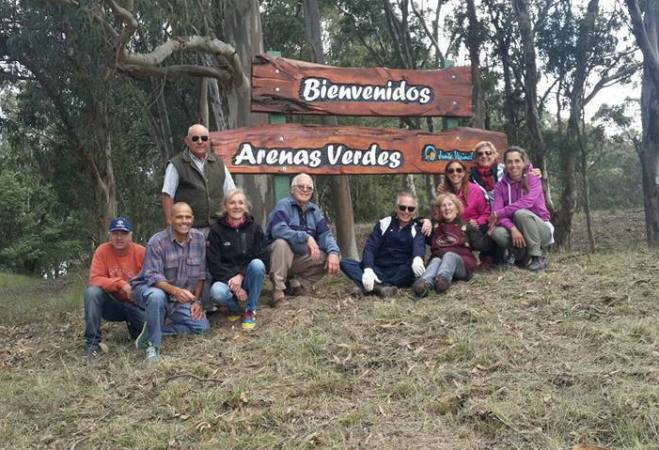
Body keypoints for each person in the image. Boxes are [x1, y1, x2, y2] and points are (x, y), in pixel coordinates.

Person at [131, 202, 210, 365]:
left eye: (188, 217)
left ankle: (154, 329)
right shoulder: (157, 241)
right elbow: (152, 276)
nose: (184, 221)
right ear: (170, 219)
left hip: (177, 300)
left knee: (202, 328)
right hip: (150, 290)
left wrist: (196, 300)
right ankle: (153, 347)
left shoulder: (199, 239)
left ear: (193, 219)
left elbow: (201, 274)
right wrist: (175, 291)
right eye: (179, 217)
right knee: (157, 296)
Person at [266, 173, 341, 306]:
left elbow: (325, 235)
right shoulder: (284, 205)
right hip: (277, 258)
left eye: (309, 188)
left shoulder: (315, 210)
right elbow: (277, 230)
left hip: (300, 259)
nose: (305, 190)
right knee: (281, 243)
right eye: (301, 186)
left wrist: (334, 252)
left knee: (328, 256)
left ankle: (296, 283)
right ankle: (278, 292)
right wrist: (305, 237)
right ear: (292, 189)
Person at [83, 217, 146, 361]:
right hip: (112, 304)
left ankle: (135, 328)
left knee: (144, 334)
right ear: (109, 235)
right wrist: (121, 284)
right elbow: (95, 279)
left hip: (135, 303)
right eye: (115, 233)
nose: (119, 237)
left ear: (130, 235)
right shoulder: (102, 251)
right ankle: (92, 344)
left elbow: (152, 279)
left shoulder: (141, 252)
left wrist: (137, 291)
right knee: (92, 292)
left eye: (123, 233)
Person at [341, 192, 426, 297]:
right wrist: (368, 268)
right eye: (402, 207)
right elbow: (370, 247)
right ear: (396, 208)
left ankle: (371, 288)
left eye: (410, 209)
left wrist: (418, 258)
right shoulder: (384, 223)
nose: (406, 211)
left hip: (400, 270)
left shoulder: (417, 228)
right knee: (346, 263)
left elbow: (419, 246)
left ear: (414, 211)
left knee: (413, 270)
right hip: (379, 268)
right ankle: (379, 288)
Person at [207, 189, 268, 330]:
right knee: (216, 291)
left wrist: (241, 275)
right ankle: (234, 309)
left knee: (258, 264)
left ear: (246, 206)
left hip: (248, 278)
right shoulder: (216, 231)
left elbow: (264, 257)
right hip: (226, 280)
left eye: (241, 202)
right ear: (225, 207)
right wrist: (234, 283)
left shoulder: (255, 228)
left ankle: (250, 310)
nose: (236, 206)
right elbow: (213, 263)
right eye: (232, 203)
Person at [161, 124, 236, 232]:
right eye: (195, 138)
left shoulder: (219, 163)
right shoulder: (176, 164)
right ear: (187, 141)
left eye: (204, 138)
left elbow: (231, 193)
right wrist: (170, 224)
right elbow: (167, 195)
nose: (200, 141)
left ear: (209, 141)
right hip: (189, 229)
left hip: (218, 228)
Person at [489, 146, 554, 272]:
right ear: (505, 165)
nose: (514, 165)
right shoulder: (500, 186)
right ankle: (521, 257)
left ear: (524, 162)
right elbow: (497, 213)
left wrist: (499, 213)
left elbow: (526, 202)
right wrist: (512, 228)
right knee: (497, 233)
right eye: (509, 162)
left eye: (517, 161)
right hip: (517, 229)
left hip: (541, 228)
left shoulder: (533, 178)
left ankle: (537, 257)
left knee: (521, 213)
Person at [413, 193, 477, 297]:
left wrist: (489, 228)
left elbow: (482, 244)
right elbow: (414, 223)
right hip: (439, 263)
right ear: (439, 210)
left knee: (449, 255)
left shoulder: (466, 225)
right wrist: (424, 220)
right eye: (443, 205)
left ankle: (443, 280)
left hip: (461, 265)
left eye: (450, 204)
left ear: (456, 208)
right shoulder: (434, 225)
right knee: (435, 260)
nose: (447, 208)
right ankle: (424, 283)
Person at [437, 159, 495, 266]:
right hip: (454, 227)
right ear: (447, 174)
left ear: (464, 173)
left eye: (459, 170)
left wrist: (477, 221)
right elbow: (439, 214)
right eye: (451, 171)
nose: (455, 173)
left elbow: (486, 213)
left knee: (486, 233)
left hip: (474, 226)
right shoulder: (443, 192)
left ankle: (488, 257)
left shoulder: (475, 190)